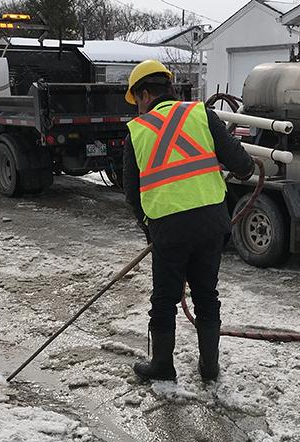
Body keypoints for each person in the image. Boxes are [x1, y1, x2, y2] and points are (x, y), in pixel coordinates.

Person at [123, 60, 255, 382]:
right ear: (168, 89)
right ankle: (209, 368)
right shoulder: (201, 114)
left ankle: (163, 367)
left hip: (167, 230)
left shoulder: (137, 132)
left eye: (136, 101)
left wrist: (148, 227)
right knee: (207, 296)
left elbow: (131, 195)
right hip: (211, 224)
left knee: (164, 300)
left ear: (143, 95)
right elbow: (243, 165)